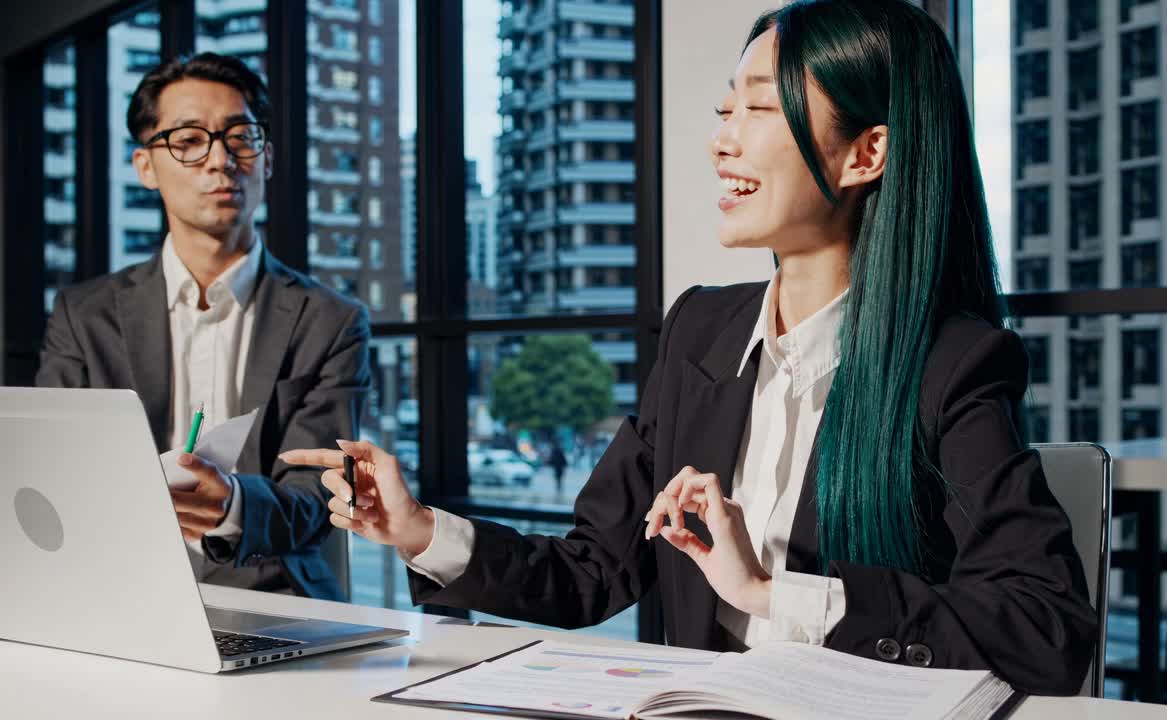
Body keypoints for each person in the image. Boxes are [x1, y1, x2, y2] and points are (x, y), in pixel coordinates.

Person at [283, 0, 1095, 693]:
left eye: (759, 109)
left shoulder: (952, 363)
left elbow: (1046, 627)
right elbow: (592, 570)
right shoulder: (700, 332)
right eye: (723, 112)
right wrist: (422, 529)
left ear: (866, 153)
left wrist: (774, 592)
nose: (722, 142)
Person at [37, 53, 371, 601]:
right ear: (145, 166)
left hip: (272, 593)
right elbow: (53, 467)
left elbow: (320, 495)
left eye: (240, 137)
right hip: (114, 588)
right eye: (188, 140)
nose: (220, 160)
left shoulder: (330, 321)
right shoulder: (84, 313)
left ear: (266, 159)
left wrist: (231, 503)